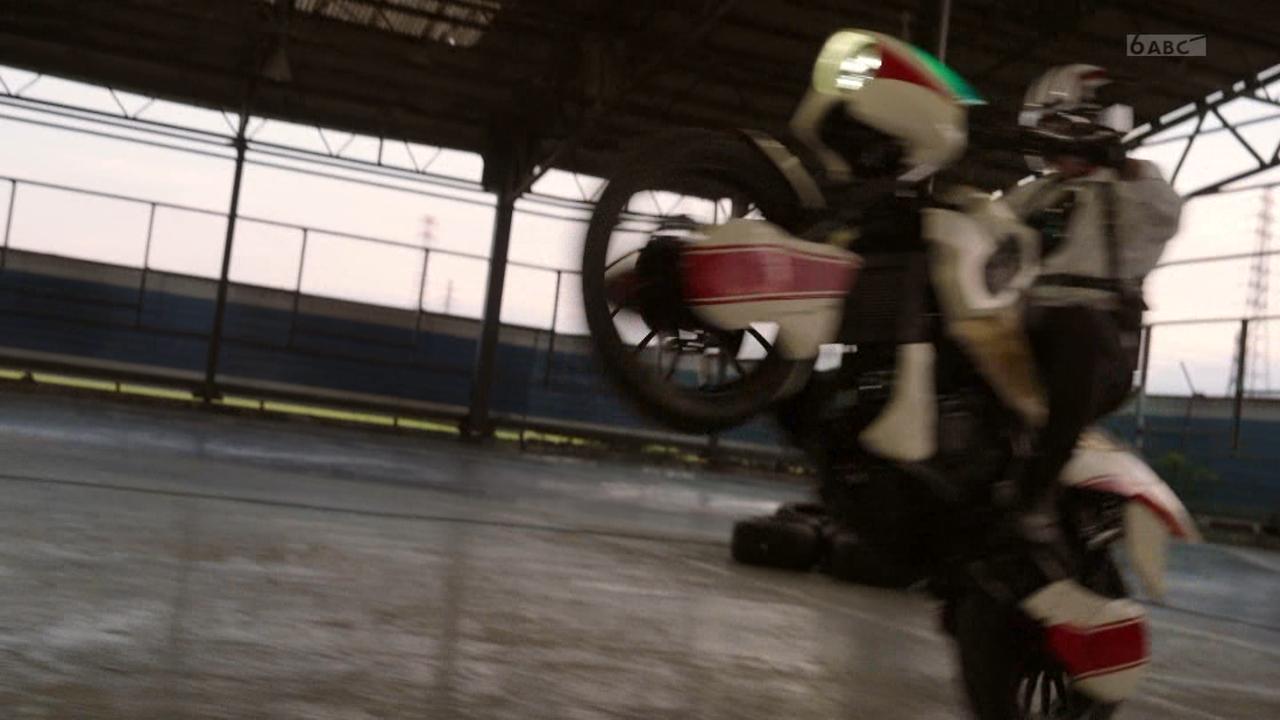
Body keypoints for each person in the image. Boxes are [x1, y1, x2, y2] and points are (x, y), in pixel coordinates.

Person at [992, 64, 1183, 702]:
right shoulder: (1031, 196)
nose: (1056, 149)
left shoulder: (1129, 194)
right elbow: (981, 230)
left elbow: (1165, 213)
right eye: (1048, 132)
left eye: (1066, 131)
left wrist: (1122, 164)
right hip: (1022, 335)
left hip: (1097, 338)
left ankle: (1033, 491)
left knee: (1071, 326)